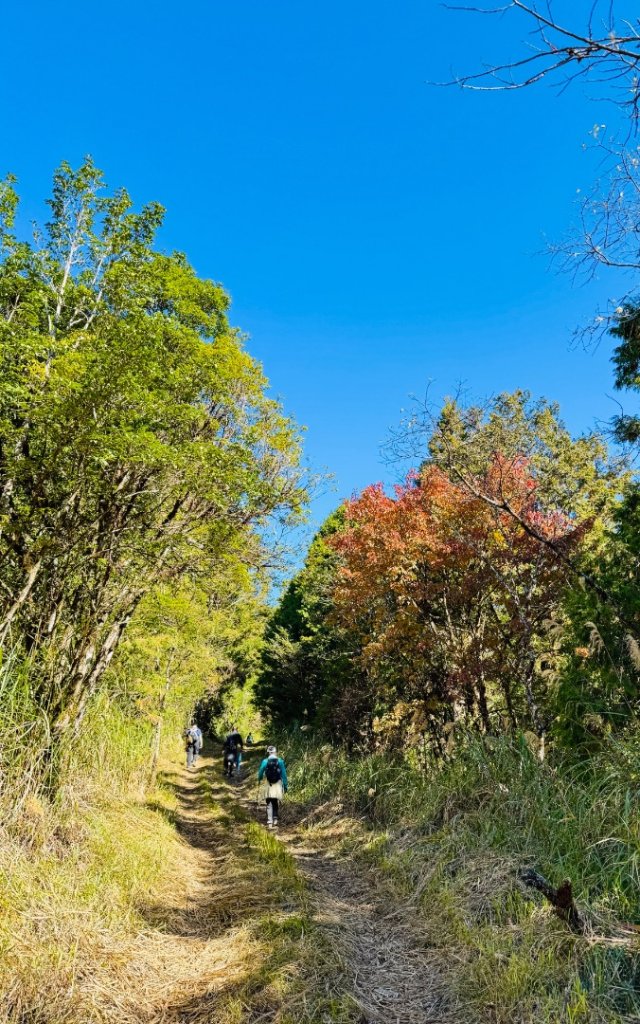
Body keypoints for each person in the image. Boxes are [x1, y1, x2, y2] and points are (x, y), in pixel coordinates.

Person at [257, 745, 288, 828]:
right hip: (277, 784)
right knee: (275, 802)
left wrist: (259, 779)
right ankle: (275, 819)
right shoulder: (280, 761)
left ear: (268, 752)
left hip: (268, 784)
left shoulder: (265, 761)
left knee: (269, 802)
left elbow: (260, 772)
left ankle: (269, 821)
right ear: (275, 752)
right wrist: (285, 785)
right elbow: (284, 774)